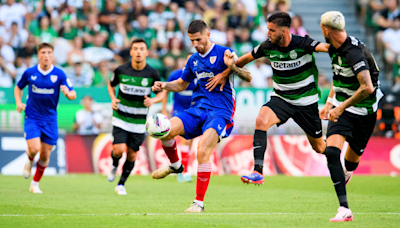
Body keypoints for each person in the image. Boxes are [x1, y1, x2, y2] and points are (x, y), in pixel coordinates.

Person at [207, 12, 330, 185]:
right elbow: (245, 59)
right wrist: (225, 73)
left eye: (272, 30)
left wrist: (347, 48)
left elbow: (327, 48)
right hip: (282, 98)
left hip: (306, 103)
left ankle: (338, 155)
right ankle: (257, 171)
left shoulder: (303, 43)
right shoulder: (268, 46)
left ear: (284, 31)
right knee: (261, 120)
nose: (268, 34)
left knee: (319, 147)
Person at [151, 20, 252, 213]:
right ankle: (175, 166)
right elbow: (181, 84)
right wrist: (163, 85)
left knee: (202, 150)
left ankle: (198, 203)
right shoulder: (193, 60)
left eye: (198, 39)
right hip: (198, 109)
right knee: (163, 130)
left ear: (208, 35)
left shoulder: (225, 53)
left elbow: (248, 77)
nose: (196, 44)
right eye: (192, 41)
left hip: (221, 112)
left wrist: (232, 67)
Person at [319, 11, 383, 222]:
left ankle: (347, 171)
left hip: (364, 112)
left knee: (351, 162)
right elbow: (338, 78)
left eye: (322, 29)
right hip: (344, 108)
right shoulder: (333, 48)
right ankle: (344, 209)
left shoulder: (354, 53)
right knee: (330, 152)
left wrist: (340, 107)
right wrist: (330, 103)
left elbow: (367, 88)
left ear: (327, 30)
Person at [15, 43, 76, 193]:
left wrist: (68, 94)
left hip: (50, 119)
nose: (46, 55)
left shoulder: (60, 74)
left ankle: (35, 184)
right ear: (38, 55)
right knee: (34, 148)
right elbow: (18, 87)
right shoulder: (30, 73)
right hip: (32, 117)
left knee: (45, 155)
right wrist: (18, 102)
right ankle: (29, 161)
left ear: (53, 55)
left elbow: (73, 94)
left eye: (49, 52)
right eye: (43, 52)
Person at [107, 38, 164, 195]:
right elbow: (110, 85)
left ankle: (121, 184)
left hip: (139, 121)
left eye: (141, 49)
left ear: (146, 52)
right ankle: (114, 164)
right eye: (135, 49)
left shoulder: (152, 73)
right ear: (131, 52)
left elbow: (162, 93)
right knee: (118, 150)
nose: (138, 52)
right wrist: (113, 98)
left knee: (132, 154)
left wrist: (153, 100)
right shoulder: (121, 70)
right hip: (121, 117)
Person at [161, 53, 196, 183]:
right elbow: (165, 90)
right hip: (180, 111)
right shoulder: (176, 75)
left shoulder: (200, 76)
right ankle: (183, 171)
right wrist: (164, 109)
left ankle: (182, 168)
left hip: (194, 111)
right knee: (185, 141)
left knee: (190, 141)